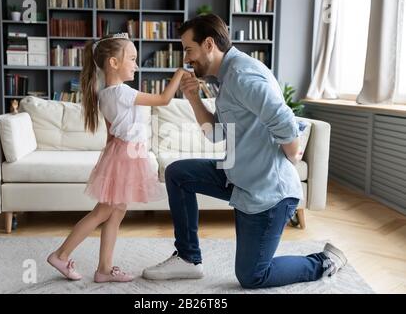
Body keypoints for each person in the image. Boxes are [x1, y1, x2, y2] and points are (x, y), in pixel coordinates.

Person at [142, 15, 347, 288]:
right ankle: (189, 258)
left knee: (252, 276)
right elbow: (216, 134)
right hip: (238, 177)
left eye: (189, 49)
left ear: (208, 44)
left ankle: (324, 261)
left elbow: (284, 120)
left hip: (268, 194)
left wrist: (293, 154)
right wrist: (193, 98)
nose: (187, 58)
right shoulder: (227, 77)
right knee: (178, 173)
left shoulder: (241, 75)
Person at [47, 33, 187, 283]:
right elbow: (164, 100)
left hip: (122, 154)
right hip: (126, 156)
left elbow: (112, 135)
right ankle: (60, 254)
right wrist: (180, 73)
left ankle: (104, 269)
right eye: (132, 59)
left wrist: (110, 163)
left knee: (116, 212)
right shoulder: (123, 92)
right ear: (113, 62)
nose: (136, 64)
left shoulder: (105, 93)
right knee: (103, 212)